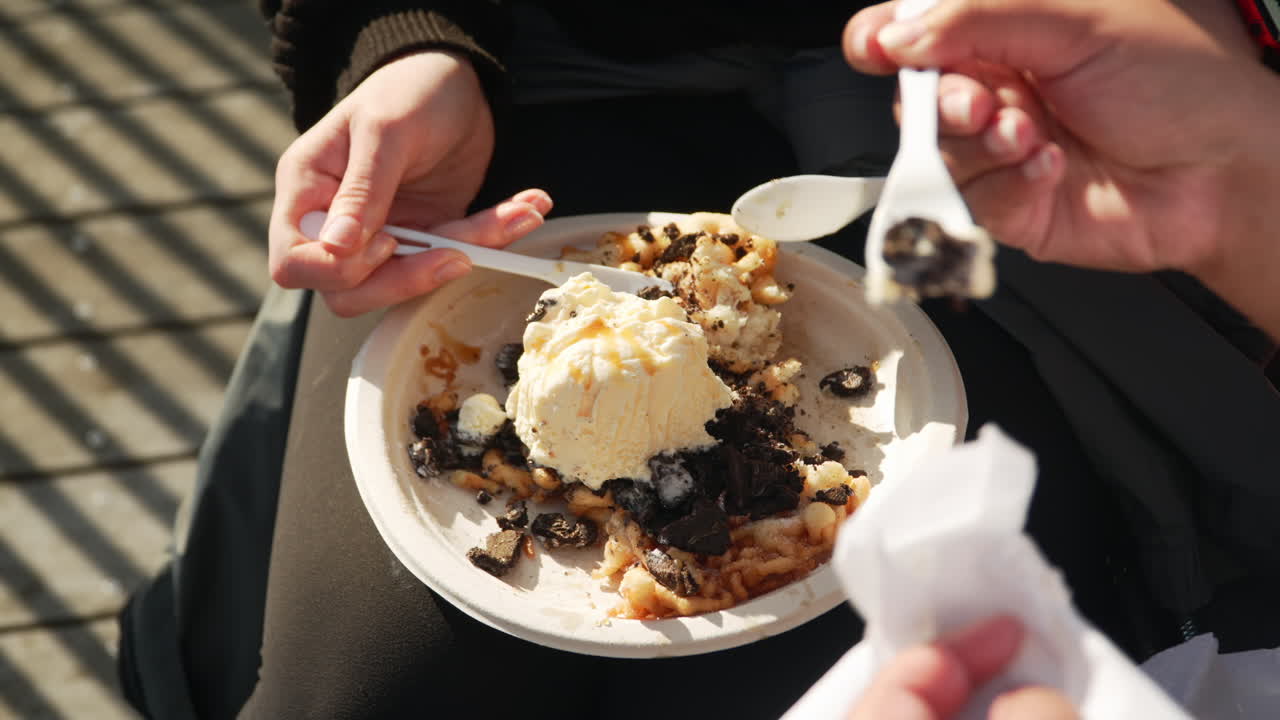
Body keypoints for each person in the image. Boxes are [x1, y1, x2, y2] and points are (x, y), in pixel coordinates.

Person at [116, 2, 1280, 718]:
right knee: (372, 698)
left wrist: (1241, 170)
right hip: (534, 91)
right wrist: (399, 38)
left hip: (1003, 151)